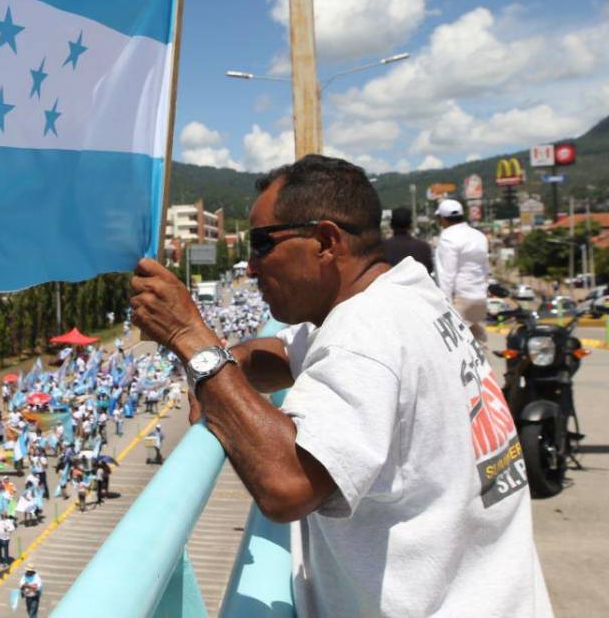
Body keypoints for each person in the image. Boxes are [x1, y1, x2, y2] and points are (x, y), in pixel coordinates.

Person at [129, 154, 551, 617]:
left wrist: (193, 341)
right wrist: (217, 373)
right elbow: (277, 355)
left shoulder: (366, 331)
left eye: (261, 244)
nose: (250, 267)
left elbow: (286, 486)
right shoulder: (407, 291)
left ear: (326, 241)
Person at [434, 198, 491, 356]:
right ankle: (486, 377)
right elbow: (485, 269)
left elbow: (446, 276)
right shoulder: (479, 236)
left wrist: (444, 306)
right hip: (479, 298)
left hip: (460, 300)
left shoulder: (447, 238)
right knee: (479, 343)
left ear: (442, 218)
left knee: (457, 349)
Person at [382, 205, 433, 274]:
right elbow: (429, 271)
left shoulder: (381, 248)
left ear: (391, 225)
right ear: (410, 225)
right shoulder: (423, 248)